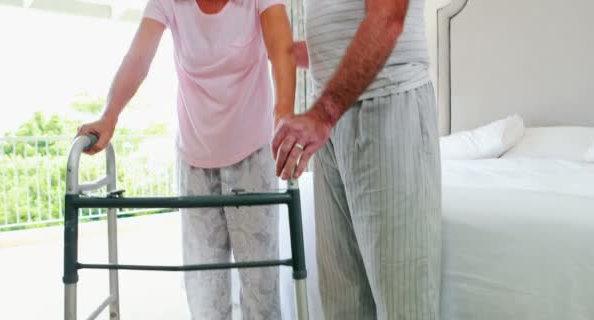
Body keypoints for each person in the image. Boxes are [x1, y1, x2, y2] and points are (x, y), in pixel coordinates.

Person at [77, 0, 296, 319]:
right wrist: (109, 116)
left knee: (260, 281)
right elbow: (138, 59)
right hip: (196, 159)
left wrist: (285, 116)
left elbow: (281, 50)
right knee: (204, 286)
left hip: (252, 153)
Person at [273, 0, 442, 319]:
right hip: (333, 114)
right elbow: (346, 27)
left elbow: (388, 18)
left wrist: (321, 114)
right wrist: (292, 52)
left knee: (402, 301)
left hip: (387, 103)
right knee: (343, 301)